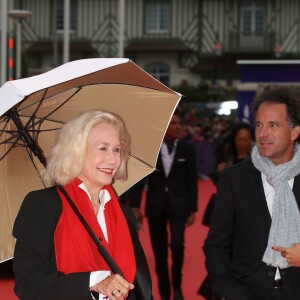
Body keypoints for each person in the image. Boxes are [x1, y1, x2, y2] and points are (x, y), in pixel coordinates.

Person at [13, 110, 152, 300]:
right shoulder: (43, 205)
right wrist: (92, 282)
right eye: (102, 148)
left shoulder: (123, 214)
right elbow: (28, 284)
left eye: (117, 149)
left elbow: (139, 286)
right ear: (75, 151)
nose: (112, 159)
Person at [203, 86, 300, 300]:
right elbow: (216, 245)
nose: (263, 133)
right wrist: (229, 290)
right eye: (259, 124)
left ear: (294, 131)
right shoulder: (234, 179)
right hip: (246, 292)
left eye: (273, 125)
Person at [129, 112, 198, 300]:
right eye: (173, 123)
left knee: (177, 245)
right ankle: (166, 292)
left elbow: (192, 179)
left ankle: (177, 287)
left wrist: (193, 208)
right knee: (159, 254)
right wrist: (135, 206)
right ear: (165, 126)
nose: (177, 126)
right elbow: (140, 179)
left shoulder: (187, 148)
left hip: (179, 205)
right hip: (155, 206)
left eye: (178, 123)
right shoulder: (151, 149)